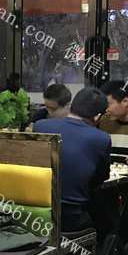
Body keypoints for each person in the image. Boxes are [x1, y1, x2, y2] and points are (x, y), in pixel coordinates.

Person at [34, 88, 111, 232]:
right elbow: (101, 178)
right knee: (106, 215)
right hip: (71, 217)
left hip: (36, 210)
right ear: (97, 117)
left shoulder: (40, 126)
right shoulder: (101, 138)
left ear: (72, 106)